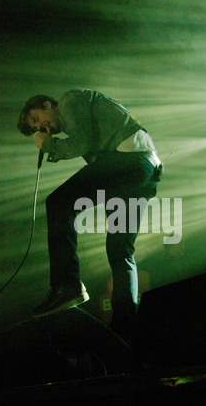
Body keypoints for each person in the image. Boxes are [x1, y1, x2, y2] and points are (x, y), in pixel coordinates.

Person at [17, 88, 162, 343]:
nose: (40, 126)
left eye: (36, 118)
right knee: (120, 251)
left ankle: (67, 285)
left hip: (128, 161)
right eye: (35, 126)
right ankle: (125, 326)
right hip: (143, 169)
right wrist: (55, 146)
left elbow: (81, 142)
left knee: (59, 202)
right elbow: (86, 146)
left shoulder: (69, 100)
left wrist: (47, 144)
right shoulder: (77, 112)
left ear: (48, 104)